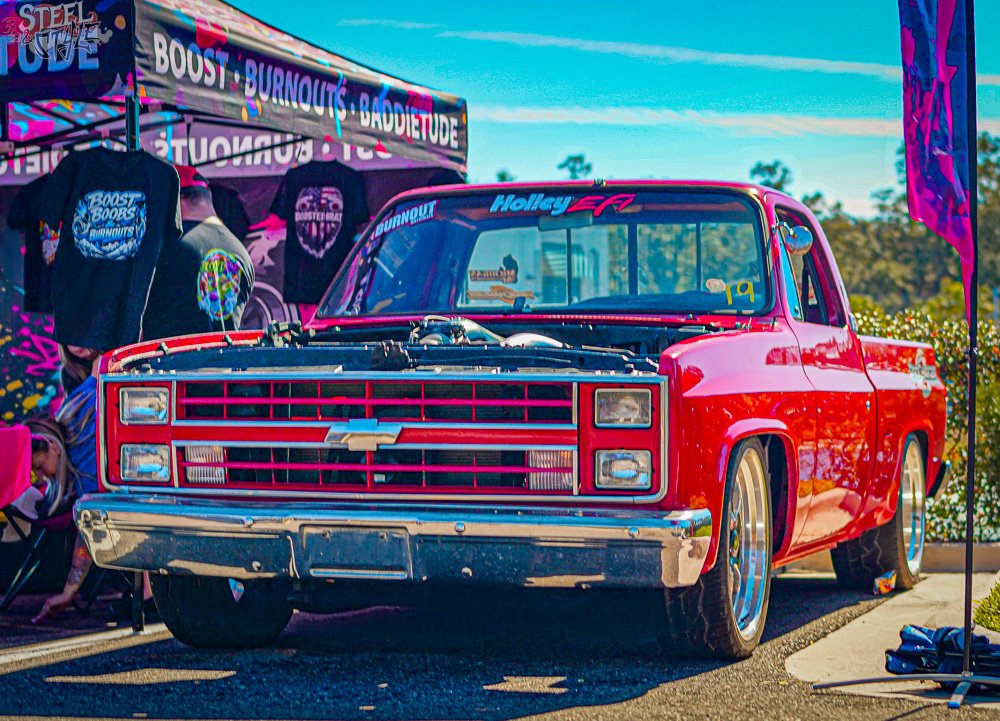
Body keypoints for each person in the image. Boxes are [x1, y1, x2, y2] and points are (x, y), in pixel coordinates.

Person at [143, 166, 255, 340]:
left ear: (175, 199)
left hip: (171, 363)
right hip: (227, 362)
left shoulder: (166, 247)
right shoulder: (242, 253)